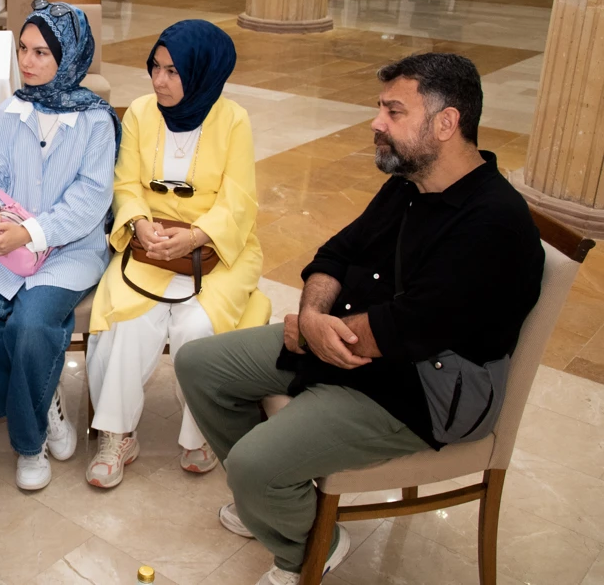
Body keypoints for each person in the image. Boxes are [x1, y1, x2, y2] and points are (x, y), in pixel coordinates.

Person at [175, 53, 544, 585]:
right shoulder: (411, 183)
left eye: (394, 112)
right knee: (199, 365)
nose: (377, 123)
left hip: (422, 388)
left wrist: (320, 334)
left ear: (446, 123)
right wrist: (312, 313)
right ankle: (286, 511)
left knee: (256, 464)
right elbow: (336, 253)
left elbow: (406, 328)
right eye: (380, 109)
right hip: (353, 342)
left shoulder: (493, 225)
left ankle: (304, 551)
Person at [83, 20, 268, 488]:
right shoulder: (141, 113)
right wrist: (140, 224)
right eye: (155, 68)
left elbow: (239, 199)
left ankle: (200, 434)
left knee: (197, 325)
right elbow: (124, 183)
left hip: (216, 250)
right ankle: (117, 434)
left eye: (173, 71)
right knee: (128, 318)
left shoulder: (233, 120)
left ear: (203, 73)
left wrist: (197, 236)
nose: (159, 81)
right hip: (149, 246)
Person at [0, 0, 117, 491]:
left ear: (69, 56)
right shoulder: (11, 110)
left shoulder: (95, 122)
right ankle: (43, 399)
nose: (28, 61)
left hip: (69, 250)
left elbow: (89, 203)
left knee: (30, 322)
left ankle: (28, 439)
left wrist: (28, 233)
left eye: (42, 52)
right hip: (9, 244)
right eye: (23, 48)